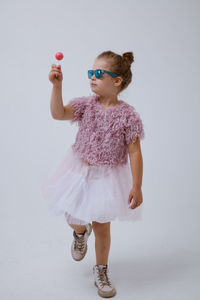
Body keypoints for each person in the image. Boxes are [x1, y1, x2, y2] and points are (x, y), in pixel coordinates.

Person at [41, 50, 145, 298]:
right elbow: (58, 113)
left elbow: (135, 153)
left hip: (107, 176)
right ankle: (80, 232)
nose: (92, 78)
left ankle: (101, 270)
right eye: (90, 73)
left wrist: (137, 185)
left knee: (102, 226)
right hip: (79, 169)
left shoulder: (127, 115)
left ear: (116, 81)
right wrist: (57, 86)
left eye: (98, 74)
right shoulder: (86, 105)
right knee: (74, 217)